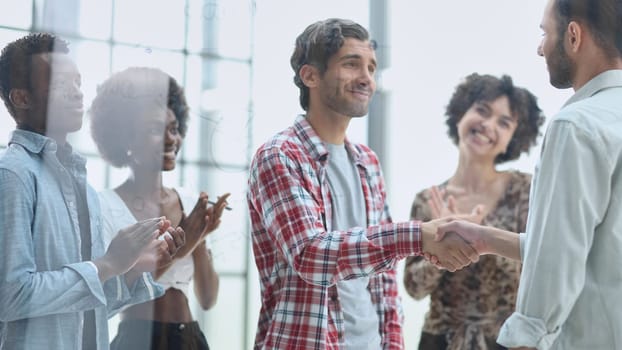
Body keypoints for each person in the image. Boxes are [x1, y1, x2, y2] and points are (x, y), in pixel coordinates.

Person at [246, 18, 480, 350]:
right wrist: (418, 235)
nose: (366, 78)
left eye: (371, 68)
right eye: (352, 64)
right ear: (310, 75)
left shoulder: (366, 162)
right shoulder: (280, 156)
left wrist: (393, 343)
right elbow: (310, 255)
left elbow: (382, 278)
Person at [435, 0, 622, 348]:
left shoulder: (578, 126)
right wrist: (486, 239)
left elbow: (558, 258)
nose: (540, 48)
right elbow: (598, 245)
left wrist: (525, 338)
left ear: (573, 36)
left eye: (544, 33)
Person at [0, 33, 185, 350]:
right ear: (22, 98)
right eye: (61, 84)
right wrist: (108, 264)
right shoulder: (13, 175)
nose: (76, 93)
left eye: (78, 82)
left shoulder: (81, 186)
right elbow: (10, 297)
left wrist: (131, 267)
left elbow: (90, 310)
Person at [89, 67, 230, 350]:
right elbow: (110, 298)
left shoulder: (190, 202)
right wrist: (182, 247)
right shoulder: (104, 206)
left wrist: (200, 238)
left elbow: (208, 298)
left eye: (174, 129)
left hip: (190, 339)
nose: (170, 140)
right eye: (155, 130)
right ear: (125, 137)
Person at [403, 73, 544, 350]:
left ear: (512, 140)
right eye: (482, 111)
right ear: (461, 114)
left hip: (508, 342)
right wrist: (441, 246)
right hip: (439, 341)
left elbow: (541, 267)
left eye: (504, 123)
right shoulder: (427, 200)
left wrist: (480, 236)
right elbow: (414, 288)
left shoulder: (526, 190)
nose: (488, 125)